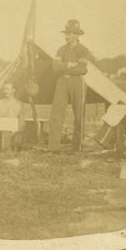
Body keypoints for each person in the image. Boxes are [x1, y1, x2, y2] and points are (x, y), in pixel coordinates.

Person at [48, 19, 89, 153]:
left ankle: (76, 147)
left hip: (77, 83)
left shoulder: (83, 50)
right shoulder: (61, 49)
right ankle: (53, 147)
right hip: (62, 82)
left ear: (77, 35)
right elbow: (55, 67)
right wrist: (69, 65)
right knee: (56, 114)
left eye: (71, 34)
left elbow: (82, 69)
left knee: (78, 115)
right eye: (66, 33)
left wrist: (64, 67)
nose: (67, 36)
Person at [0, 81, 26, 151]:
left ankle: (12, 146)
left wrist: (14, 130)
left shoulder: (19, 104)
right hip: (1, 131)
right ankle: (2, 145)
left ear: (13, 90)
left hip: (15, 131)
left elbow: (22, 123)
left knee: (17, 141)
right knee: (2, 142)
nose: (5, 91)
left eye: (7, 89)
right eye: (4, 89)